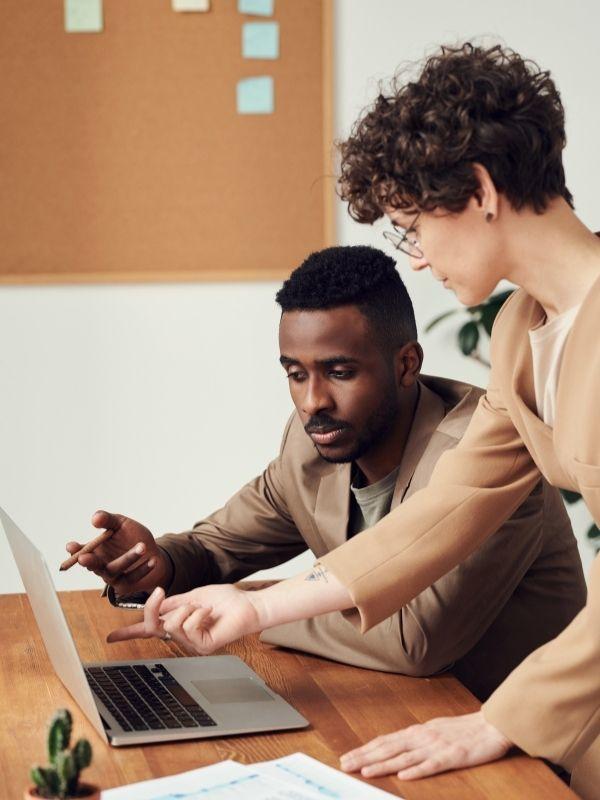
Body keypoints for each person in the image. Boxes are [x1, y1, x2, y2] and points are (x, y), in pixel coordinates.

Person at [77, 43, 600, 798]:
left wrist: (500, 720)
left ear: (481, 189)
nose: (416, 258)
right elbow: (450, 507)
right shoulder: (523, 327)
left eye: (413, 224)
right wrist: (250, 605)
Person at [67, 246, 585, 702]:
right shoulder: (312, 444)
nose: (313, 401)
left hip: (519, 751)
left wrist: (251, 608)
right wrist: (153, 565)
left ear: (407, 365)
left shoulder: (483, 450)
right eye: (296, 374)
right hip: (391, 716)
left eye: (340, 372)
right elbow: (215, 549)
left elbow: (413, 643)